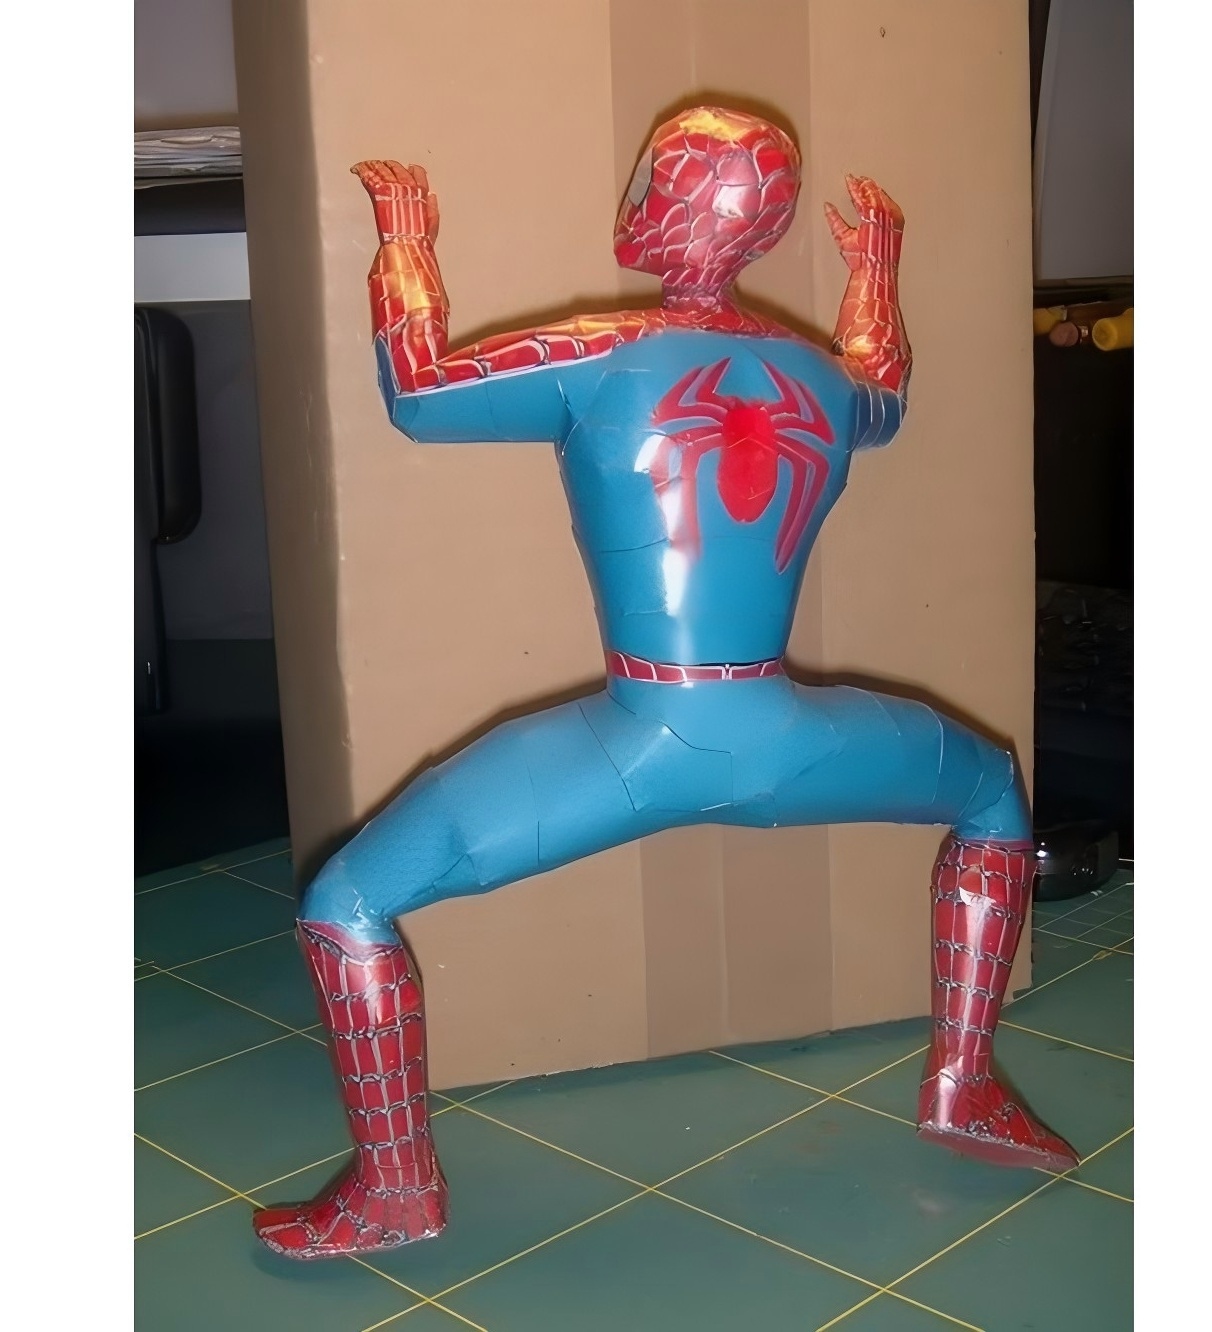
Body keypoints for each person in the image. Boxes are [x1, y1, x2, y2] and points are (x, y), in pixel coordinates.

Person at [253, 106, 1077, 1261]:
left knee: (345, 903)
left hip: (638, 738)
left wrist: (404, 243)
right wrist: (875, 275)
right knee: (988, 789)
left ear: (670, 204)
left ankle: (397, 1186)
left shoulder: (596, 354)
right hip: (785, 736)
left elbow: (420, 392)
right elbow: (885, 391)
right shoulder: (821, 380)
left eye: (654, 177)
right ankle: (963, 1079)